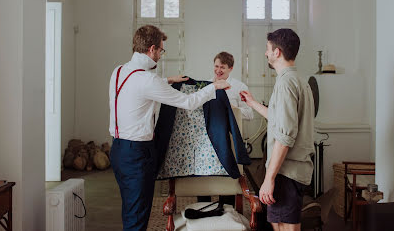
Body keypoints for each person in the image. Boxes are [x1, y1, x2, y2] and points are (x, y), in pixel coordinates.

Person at [108, 25, 230, 231]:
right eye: (161, 51)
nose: (161, 56)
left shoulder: (119, 71)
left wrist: (167, 80)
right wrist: (213, 87)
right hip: (137, 154)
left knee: (130, 208)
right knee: (137, 216)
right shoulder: (148, 80)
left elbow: (137, 87)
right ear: (152, 49)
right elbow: (188, 102)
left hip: (118, 150)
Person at [240, 28, 315, 231]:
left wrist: (269, 179)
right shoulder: (299, 80)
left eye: (267, 49)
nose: (265, 53)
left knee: (286, 227)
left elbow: (285, 136)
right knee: (278, 224)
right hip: (291, 171)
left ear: (277, 52)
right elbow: (279, 120)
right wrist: (253, 103)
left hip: (286, 172)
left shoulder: (285, 83)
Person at [212, 51, 254, 120]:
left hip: (230, 130)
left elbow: (249, 114)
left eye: (222, 67)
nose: (218, 70)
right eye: (216, 66)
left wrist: (232, 109)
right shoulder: (207, 85)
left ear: (230, 69)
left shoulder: (240, 87)